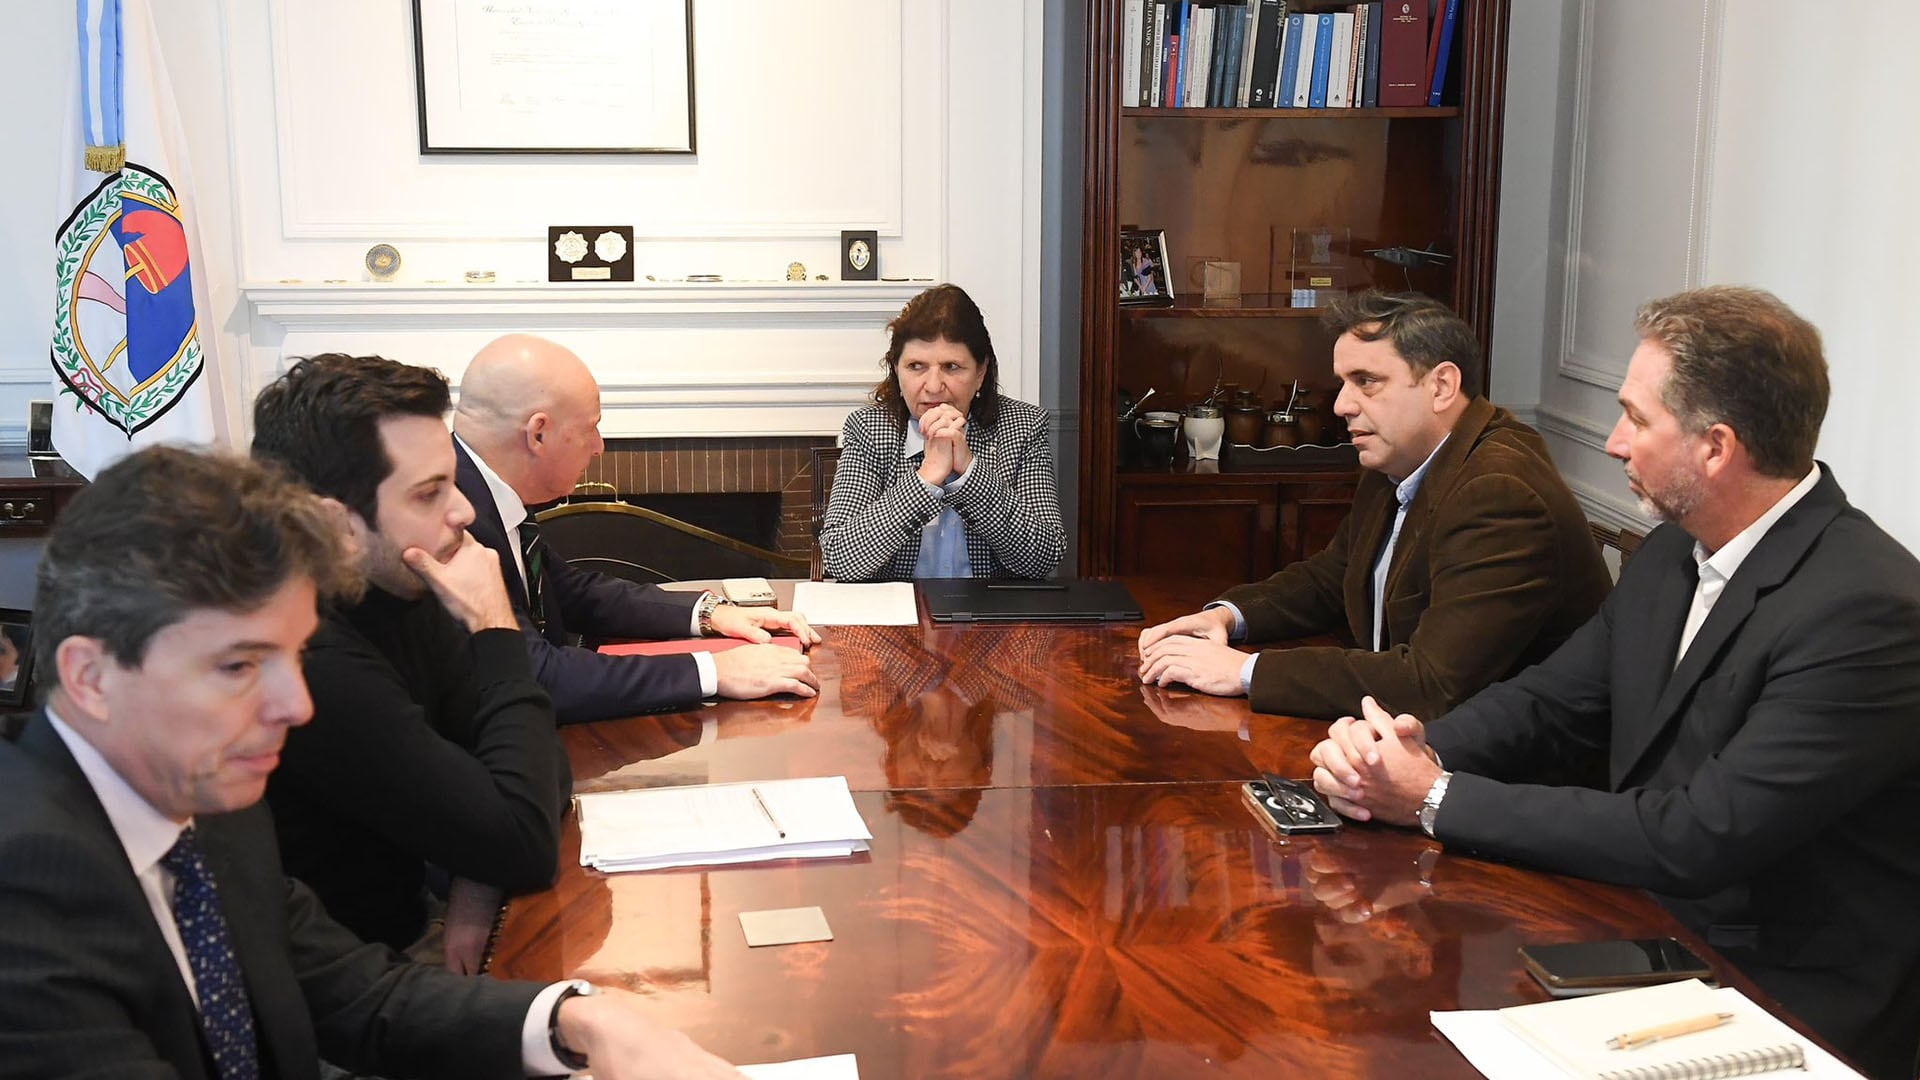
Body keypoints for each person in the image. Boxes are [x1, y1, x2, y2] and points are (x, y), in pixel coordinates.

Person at [1308, 286, 1920, 1079]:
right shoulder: (1673, 550)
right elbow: (1552, 703)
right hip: (1641, 933)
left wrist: (1431, 796)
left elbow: (1702, 834)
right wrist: (1396, 753)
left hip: (1792, 1004)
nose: (1612, 442)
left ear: (1716, 447)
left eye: (1636, 417)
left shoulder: (1866, 610)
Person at [0, 446, 744, 1079]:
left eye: (291, 656)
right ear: (91, 677)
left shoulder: (203, 802)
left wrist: (583, 1020)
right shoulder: (26, 890)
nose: (295, 706)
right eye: (237, 667)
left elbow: (356, 993)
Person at [1139, 291, 1609, 721]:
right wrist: (1227, 616)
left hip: (1507, 781)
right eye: (1344, 382)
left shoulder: (1501, 493)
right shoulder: (1400, 457)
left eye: (1367, 381)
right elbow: (1331, 580)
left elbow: (1428, 684)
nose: (1342, 404)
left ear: (1442, 386)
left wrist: (1245, 672)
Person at [252, 353, 569, 970]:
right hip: (350, 989)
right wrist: (494, 626)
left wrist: (479, 883)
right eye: (430, 493)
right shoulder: (310, 658)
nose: (464, 512)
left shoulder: (400, 582)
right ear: (333, 523)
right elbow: (524, 838)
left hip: (424, 928)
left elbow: (540, 757)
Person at [450, 333, 820, 724]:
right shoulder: (454, 518)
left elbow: (571, 592)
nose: (599, 446)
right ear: (538, 433)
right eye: (591, 427)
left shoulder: (486, 490)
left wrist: (711, 613)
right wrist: (715, 671)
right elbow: (535, 676)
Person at [821, 283, 1066, 581]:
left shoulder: (1023, 426)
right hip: (898, 620)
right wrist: (925, 480)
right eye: (916, 366)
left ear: (980, 373)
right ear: (896, 371)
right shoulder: (869, 429)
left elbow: (1044, 557)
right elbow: (839, 559)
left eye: (951, 366)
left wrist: (969, 473)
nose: (934, 386)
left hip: (991, 620)